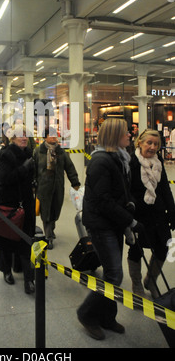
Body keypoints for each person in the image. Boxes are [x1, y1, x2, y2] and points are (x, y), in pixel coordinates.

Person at [77, 118, 141, 341]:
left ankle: (106, 316)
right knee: (115, 274)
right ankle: (86, 314)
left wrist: (129, 205)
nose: (129, 135)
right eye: (125, 132)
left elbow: (121, 191)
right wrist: (130, 221)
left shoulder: (119, 158)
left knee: (110, 272)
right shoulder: (101, 161)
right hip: (101, 224)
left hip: (113, 222)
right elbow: (102, 201)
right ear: (115, 135)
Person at [128, 129, 175, 298]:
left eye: (156, 144)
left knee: (162, 249)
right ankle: (136, 284)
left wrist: (172, 211)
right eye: (149, 143)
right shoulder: (131, 162)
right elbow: (128, 190)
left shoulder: (159, 161)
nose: (153, 147)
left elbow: (164, 189)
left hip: (158, 213)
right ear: (140, 142)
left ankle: (151, 281)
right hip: (139, 214)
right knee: (136, 250)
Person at [0, 125, 36, 294]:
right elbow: (7, 179)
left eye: (26, 135)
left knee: (26, 238)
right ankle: (6, 270)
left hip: (26, 202)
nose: (24, 138)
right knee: (7, 239)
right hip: (9, 203)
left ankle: (29, 279)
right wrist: (24, 168)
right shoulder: (6, 155)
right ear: (12, 138)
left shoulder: (28, 154)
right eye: (20, 135)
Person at [33, 127, 80, 249]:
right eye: (52, 135)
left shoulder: (61, 152)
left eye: (56, 135)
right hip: (43, 187)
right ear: (45, 136)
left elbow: (69, 167)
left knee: (55, 209)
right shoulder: (38, 151)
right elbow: (33, 169)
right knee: (46, 210)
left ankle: (51, 229)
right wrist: (32, 184)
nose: (55, 137)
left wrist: (75, 182)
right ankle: (48, 235)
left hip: (58, 186)